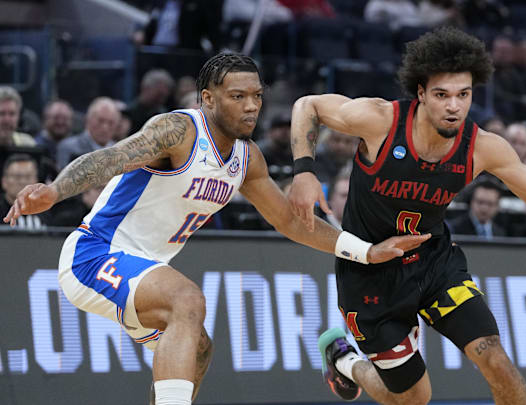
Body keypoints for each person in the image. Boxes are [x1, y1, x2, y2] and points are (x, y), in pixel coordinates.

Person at [3, 52, 427, 405]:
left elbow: (291, 222)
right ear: (208, 98)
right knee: (187, 299)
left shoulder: (248, 159)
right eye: (238, 96)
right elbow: (110, 158)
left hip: (142, 269)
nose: (251, 106)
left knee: (200, 350)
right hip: (94, 253)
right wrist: (55, 190)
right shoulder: (179, 130)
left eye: (257, 96)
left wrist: (365, 251)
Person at [288, 27, 526, 405]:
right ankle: (345, 362)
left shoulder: (481, 147)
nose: (454, 107)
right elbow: (308, 106)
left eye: (463, 95)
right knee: (413, 398)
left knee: (496, 360)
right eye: (442, 95)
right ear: (421, 94)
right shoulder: (381, 121)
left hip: (434, 264)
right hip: (370, 275)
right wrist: (304, 171)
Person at [56, 97, 120, 169]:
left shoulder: (119, 151)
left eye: (111, 123)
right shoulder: (68, 147)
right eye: (100, 121)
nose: (105, 128)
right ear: (88, 120)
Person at [0, 154, 46, 230]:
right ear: (4, 181)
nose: (23, 182)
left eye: (28, 177)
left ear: (37, 181)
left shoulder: (47, 209)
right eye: (17, 176)